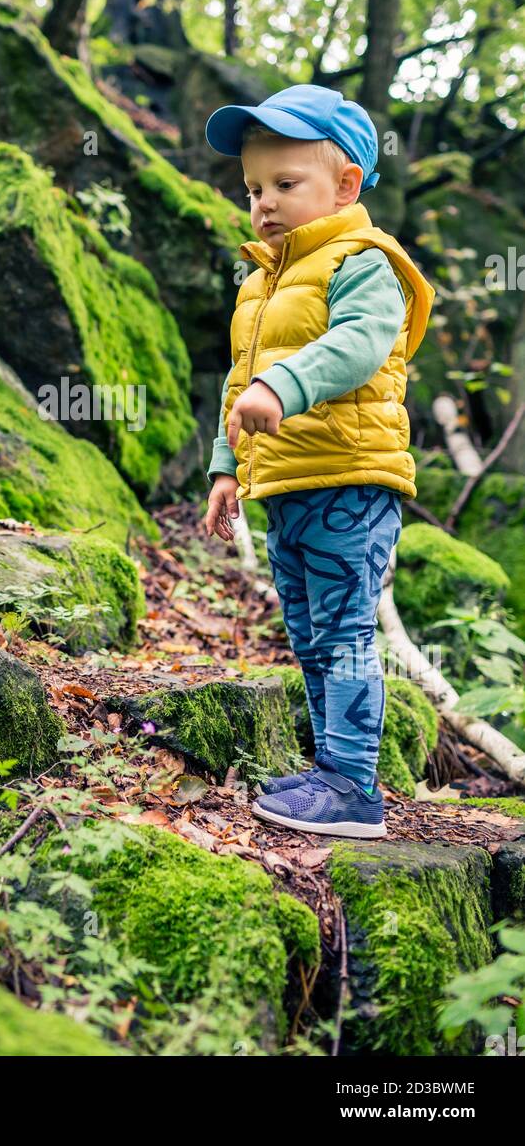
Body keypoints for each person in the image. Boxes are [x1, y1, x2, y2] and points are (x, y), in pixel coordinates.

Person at [203, 85, 436, 839]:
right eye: (253, 189)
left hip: (351, 479)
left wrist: (285, 383)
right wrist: (224, 468)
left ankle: (353, 784)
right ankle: (328, 766)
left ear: (346, 186)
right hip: (286, 485)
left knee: (341, 632)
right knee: (307, 631)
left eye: (284, 184)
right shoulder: (258, 283)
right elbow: (239, 383)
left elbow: (360, 345)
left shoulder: (364, 262)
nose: (263, 203)